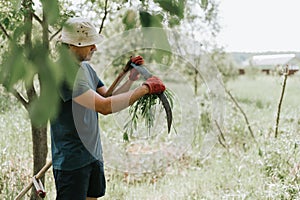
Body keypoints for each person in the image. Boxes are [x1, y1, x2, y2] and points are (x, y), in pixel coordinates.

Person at [50, 17, 166, 200]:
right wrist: (145, 89)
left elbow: (106, 97)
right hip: (72, 161)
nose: (94, 48)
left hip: (92, 154)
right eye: (89, 44)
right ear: (72, 45)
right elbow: (104, 107)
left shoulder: (85, 68)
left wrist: (128, 76)